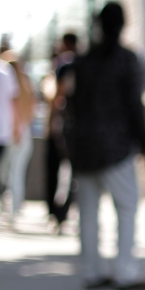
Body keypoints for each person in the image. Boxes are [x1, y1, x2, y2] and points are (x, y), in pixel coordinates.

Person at [64, 2, 145, 290]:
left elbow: (73, 105)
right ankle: (125, 271)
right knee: (127, 206)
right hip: (114, 146)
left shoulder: (83, 61)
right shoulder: (126, 59)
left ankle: (92, 271)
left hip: (84, 145)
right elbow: (134, 104)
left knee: (88, 212)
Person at [0, 52, 36, 221]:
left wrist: (16, 129)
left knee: (10, 173)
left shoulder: (12, 86)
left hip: (14, 133)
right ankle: (14, 208)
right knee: (15, 172)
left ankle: (12, 210)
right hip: (21, 132)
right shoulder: (26, 87)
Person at [46, 33, 78, 230]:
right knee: (72, 174)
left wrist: (51, 122)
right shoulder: (85, 64)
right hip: (77, 128)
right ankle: (63, 210)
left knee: (56, 170)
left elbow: (56, 97)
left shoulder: (64, 64)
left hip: (63, 126)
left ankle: (57, 211)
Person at [0, 54, 19, 200]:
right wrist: (17, 126)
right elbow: (14, 101)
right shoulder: (6, 71)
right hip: (3, 130)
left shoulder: (5, 70)